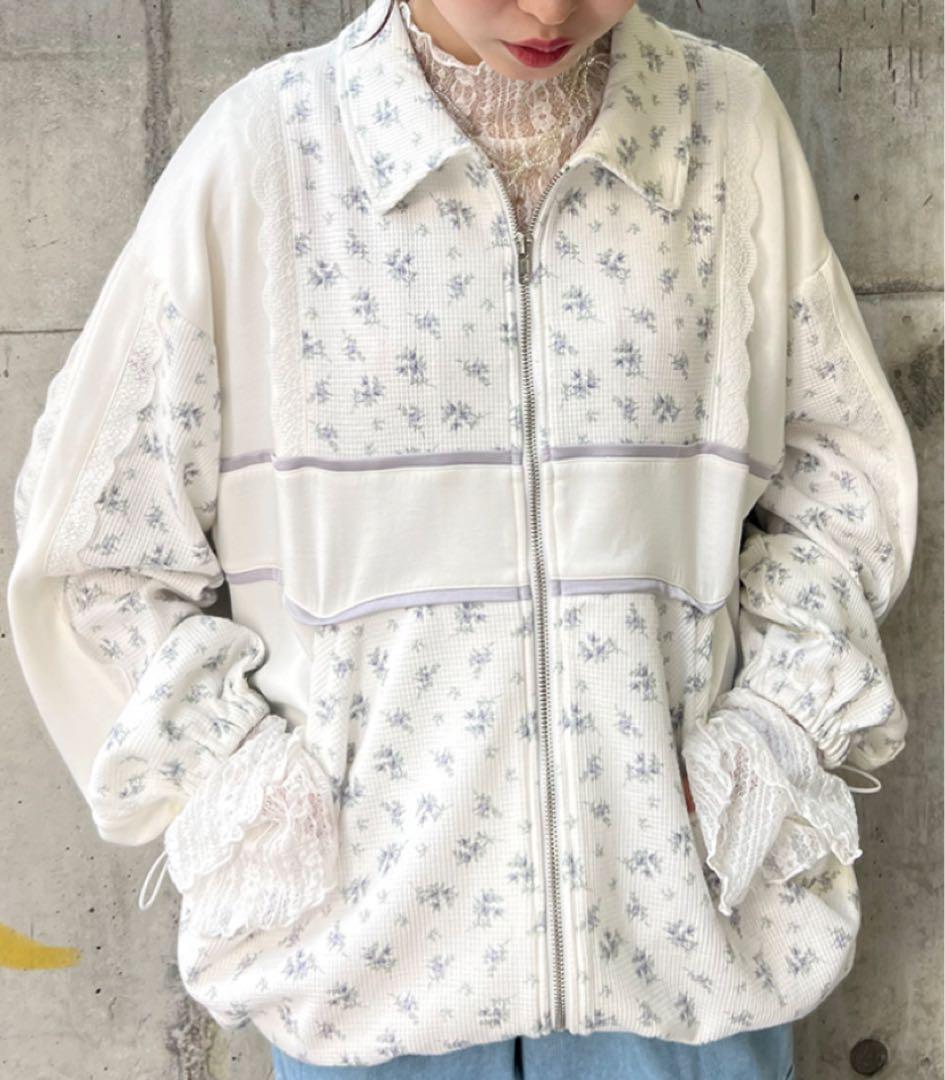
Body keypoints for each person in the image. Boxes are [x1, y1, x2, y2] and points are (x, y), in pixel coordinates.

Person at [7, 0, 917, 1077]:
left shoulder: (725, 125)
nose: (549, 10)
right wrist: (255, 796)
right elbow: (97, 547)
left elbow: (841, 479)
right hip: (366, 972)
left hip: (684, 952)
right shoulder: (265, 155)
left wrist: (767, 734)